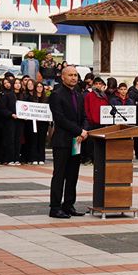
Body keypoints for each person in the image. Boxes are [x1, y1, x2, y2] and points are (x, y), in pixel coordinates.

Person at [47, 65, 89, 219]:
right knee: (60, 175)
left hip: (76, 141)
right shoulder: (57, 95)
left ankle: (68, 204)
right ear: (63, 77)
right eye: (70, 75)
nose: (73, 78)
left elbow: (84, 116)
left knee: (73, 175)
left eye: (76, 75)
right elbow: (60, 119)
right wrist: (79, 131)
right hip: (62, 141)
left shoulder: (78, 95)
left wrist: (83, 132)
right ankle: (55, 207)